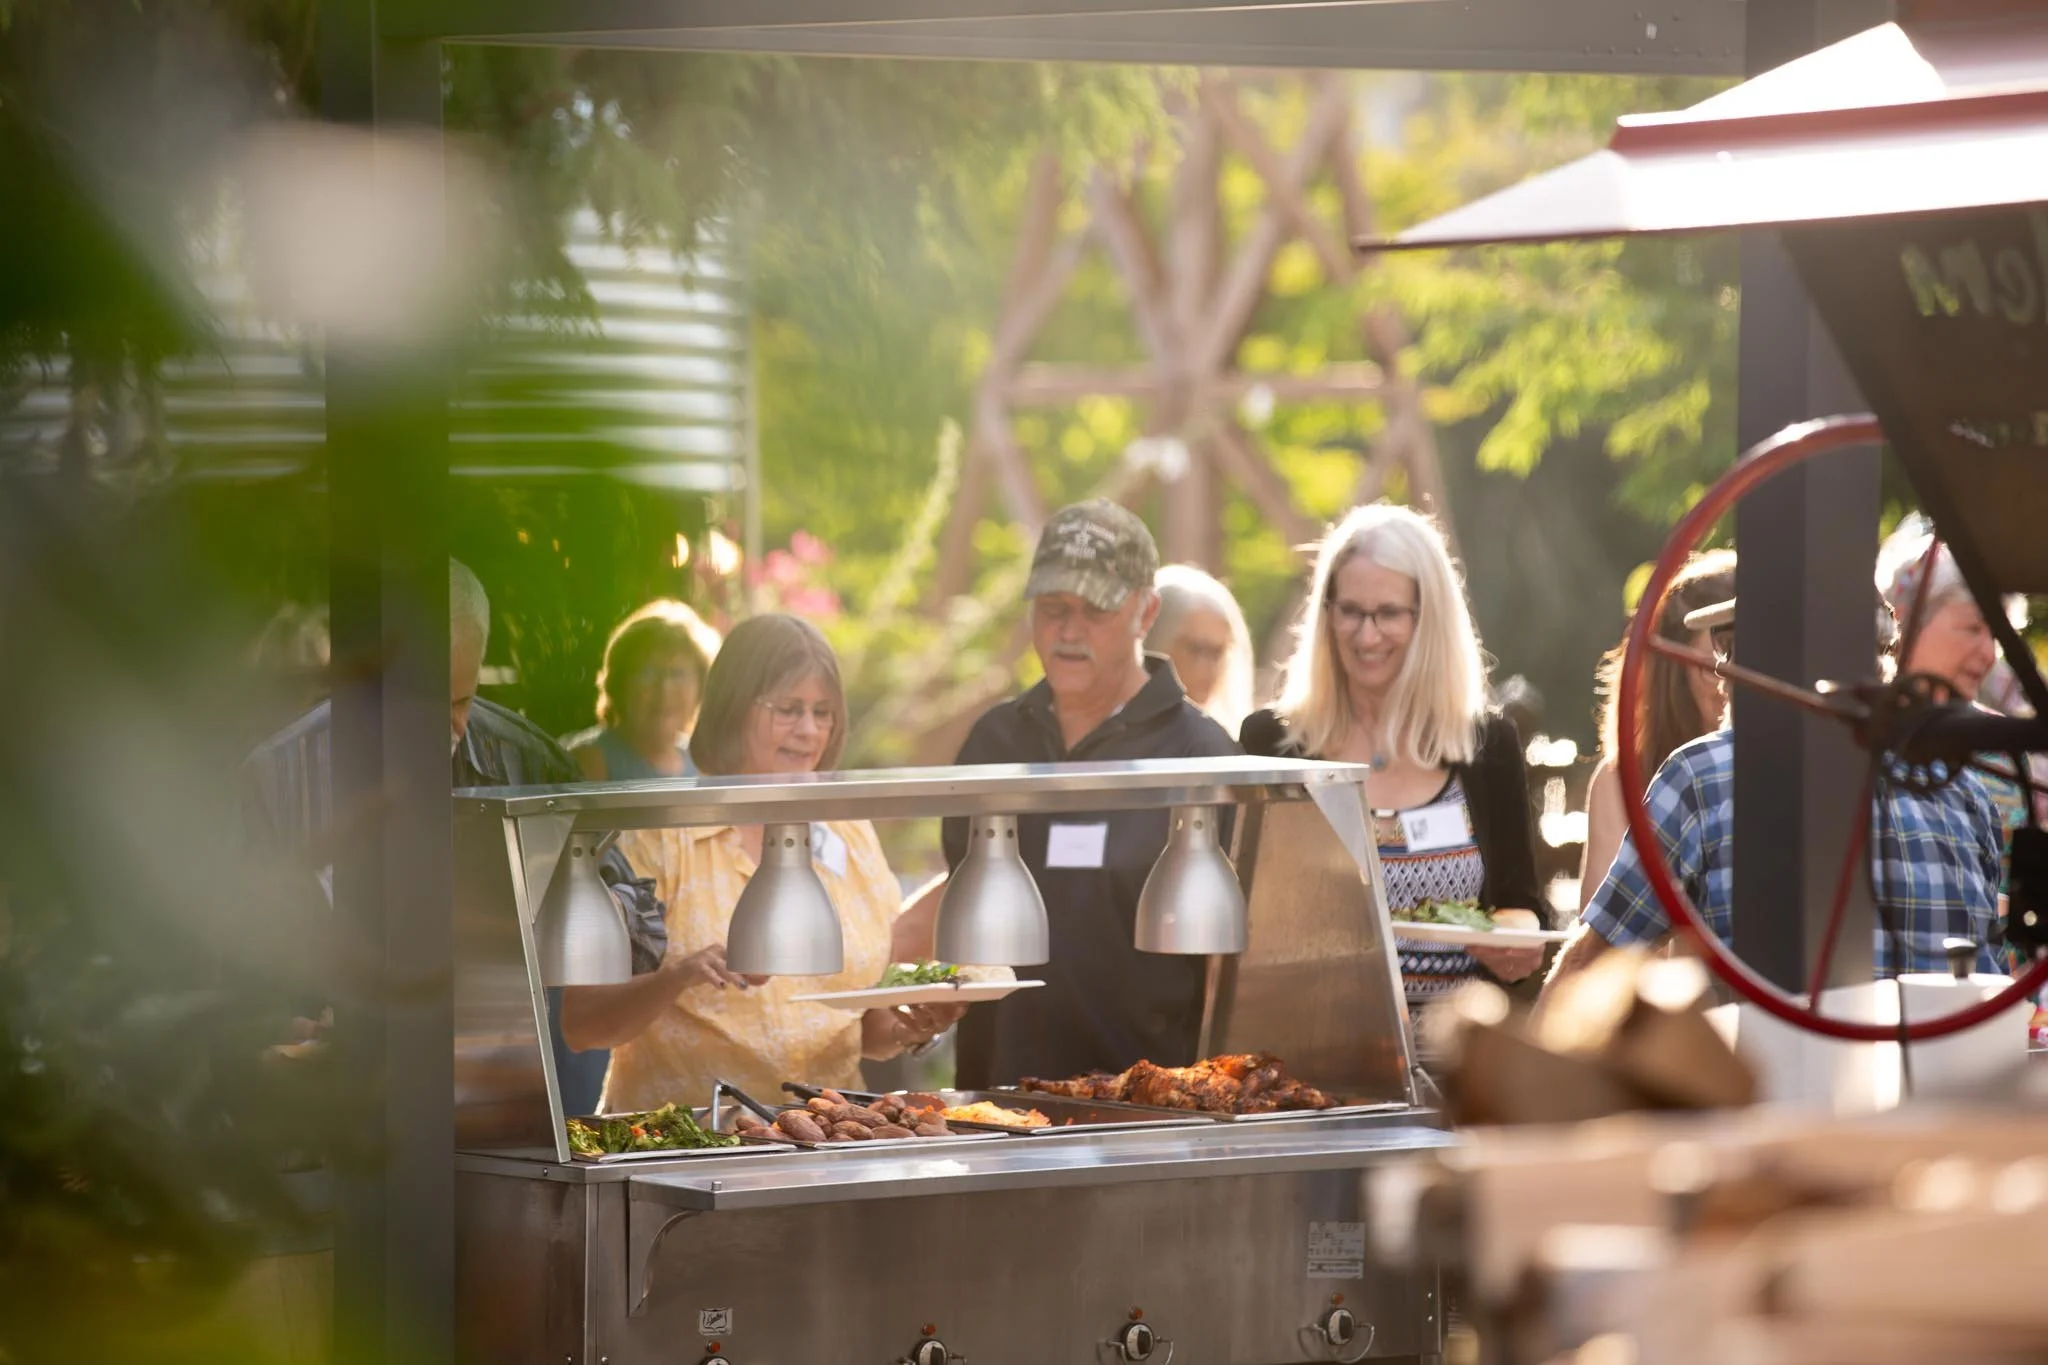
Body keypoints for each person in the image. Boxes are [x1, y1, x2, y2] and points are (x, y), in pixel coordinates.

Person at [243, 559, 670, 1115]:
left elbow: (645, 933)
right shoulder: (278, 777)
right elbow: (218, 967)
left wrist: (587, 910)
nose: (446, 728)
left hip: (490, 1118)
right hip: (325, 1128)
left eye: (461, 701)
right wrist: (276, 1022)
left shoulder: (526, 760)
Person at [591, 613, 962, 1110]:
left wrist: (913, 1028)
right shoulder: (656, 839)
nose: (809, 731)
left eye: (823, 712)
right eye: (789, 709)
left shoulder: (851, 835)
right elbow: (586, 1023)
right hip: (685, 1146)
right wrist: (678, 975)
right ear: (734, 707)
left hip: (828, 1137)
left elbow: (867, 1031)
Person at [1547, 589, 2005, 990]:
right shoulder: (1965, 793)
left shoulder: (1701, 776)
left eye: (1727, 646)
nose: (1718, 670)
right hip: (1955, 1082)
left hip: (1778, 1084)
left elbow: (1594, 968)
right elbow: (1995, 982)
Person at [939, 500, 1242, 1088]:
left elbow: (1227, 976)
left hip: (1145, 1113)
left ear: (1145, 610)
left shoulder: (1201, 757)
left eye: (1093, 610)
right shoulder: (993, 741)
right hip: (997, 1110)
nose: (1068, 631)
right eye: (1053, 609)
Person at [1240, 503, 1545, 1024]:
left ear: (1429, 620)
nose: (1366, 635)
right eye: (1351, 611)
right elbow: (1250, 911)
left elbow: (1520, 904)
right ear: (1325, 612)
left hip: (1460, 1062)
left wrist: (1515, 940)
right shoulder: (1272, 741)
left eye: (1388, 614)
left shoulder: (1487, 746)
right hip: (1313, 1052)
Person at [1579, 550, 1737, 895]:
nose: (1732, 686)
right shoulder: (1620, 783)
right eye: (1715, 669)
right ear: (1672, 678)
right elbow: (1607, 943)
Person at [564, 599, 721, 781]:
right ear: (620, 684)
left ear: (701, 686)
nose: (664, 689)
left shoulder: (701, 764)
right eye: (647, 673)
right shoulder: (590, 761)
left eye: (677, 673)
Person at [1146, 564, 1256, 737]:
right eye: (1197, 649)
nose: (1210, 667)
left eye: (1218, 651)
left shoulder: (1221, 742)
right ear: (1155, 640)